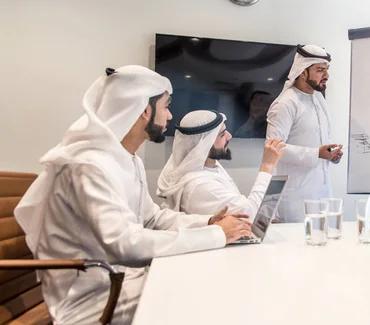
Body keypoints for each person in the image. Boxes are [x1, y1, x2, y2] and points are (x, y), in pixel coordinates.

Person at [14, 66, 252, 325]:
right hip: (94, 296)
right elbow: (124, 244)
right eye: (166, 106)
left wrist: (207, 223)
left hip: (125, 278)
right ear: (144, 110)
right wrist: (217, 235)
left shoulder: (127, 160)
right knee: (208, 299)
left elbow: (151, 219)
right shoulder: (89, 165)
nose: (170, 115)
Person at [266, 44, 344, 222]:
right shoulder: (285, 104)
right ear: (302, 72)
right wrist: (316, 154)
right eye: (320, 70)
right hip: (296, 198)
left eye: (326, 70)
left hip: (323, 191)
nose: (326, 76)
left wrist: (331, 154)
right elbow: (273, 148)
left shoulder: (318, 98)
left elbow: (320, 141)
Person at [158, 110, 286, 218]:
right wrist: (267, 166)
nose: (229, 136)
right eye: (222, 134)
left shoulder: (210, 166)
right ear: (203, 145)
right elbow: (250, 215)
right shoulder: (200, 185)